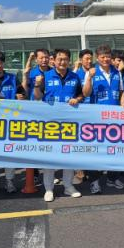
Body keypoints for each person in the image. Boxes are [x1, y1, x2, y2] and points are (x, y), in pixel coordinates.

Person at [34, 48, 83, 202]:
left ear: (69, 61)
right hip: (50, 123)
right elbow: (37, 97)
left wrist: (77, 99)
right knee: (50, 156)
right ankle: (49, 189)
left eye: (65, 59)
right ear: (53, 60)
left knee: (68, 155)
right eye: (60, 59)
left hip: (69, 123)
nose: (63, 62)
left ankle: (68, 186)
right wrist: (37, 85)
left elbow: (81, 94)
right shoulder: (46, 76)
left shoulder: (75, 77)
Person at [82, 44, 124, 194]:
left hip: (114, 119)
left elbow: (122, 91)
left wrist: (122, 104)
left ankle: (112, 178)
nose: (106, 59)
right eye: (102, 57)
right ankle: (94, 181)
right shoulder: (91, 72)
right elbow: (86, 93)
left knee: (115, 149)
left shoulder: (117, 72)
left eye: (108, 56)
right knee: (95, 151)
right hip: (97, 119)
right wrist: (89, 78)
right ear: (97, 58)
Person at [0, 50, 25, 194]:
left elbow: (22, 93)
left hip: (10, 121)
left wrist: (21, 97)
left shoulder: (12, 78)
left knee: (9, 151)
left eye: (1, 62)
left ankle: (10, 180)